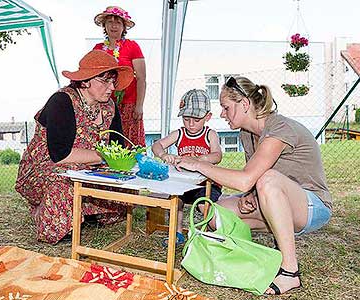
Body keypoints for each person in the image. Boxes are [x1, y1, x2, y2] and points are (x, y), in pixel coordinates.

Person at [177, 77, 332, 295]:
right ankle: (250, 248)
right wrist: (250, 194)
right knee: (210, 210)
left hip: (311, 205)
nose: (222, 114)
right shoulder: (247, 134)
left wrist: (199, 164)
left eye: (226, 107)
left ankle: (290, 272)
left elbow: (247, 178)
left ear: (245, 104)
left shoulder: (279, 128)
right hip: (275, 198)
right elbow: (250, 182)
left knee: (267, 179)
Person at [15, 50, 134, 244]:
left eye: (113, 81)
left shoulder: (109, 106)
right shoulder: (62, 101)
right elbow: (60, 155)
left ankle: (83, 212)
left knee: (124, 186)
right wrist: (105, 157)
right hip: (50, 166)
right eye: (105, 81)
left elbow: (117, 145)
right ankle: (53, 215)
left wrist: (119, 160)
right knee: (64, 186)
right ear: (86, 81)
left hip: (90, 164)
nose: (112, 87)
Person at [152, 89, 222, 246]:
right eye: (186, 119)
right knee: (176, 201)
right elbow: (157, 145)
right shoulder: (179, 134)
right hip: (185, 184)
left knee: (204, 205)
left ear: (207, 117)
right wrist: (163, 155)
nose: (191, 124)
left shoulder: (210, 134)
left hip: (207, 184)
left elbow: (217, 156)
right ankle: (177, 234)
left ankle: (209, 236)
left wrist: (199, 159)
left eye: (196, 120)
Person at [93, 6, 146, 147]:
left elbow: (141, 78)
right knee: (108, 140)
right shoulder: (98, 48)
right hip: (104, 104)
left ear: (124, 27)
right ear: (104, 25)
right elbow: (92, 77)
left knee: (130, 143)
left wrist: (139, 106)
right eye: (110, 22)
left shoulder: (132, 46)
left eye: (118, 22)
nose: (114, 26)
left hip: (130, 103)